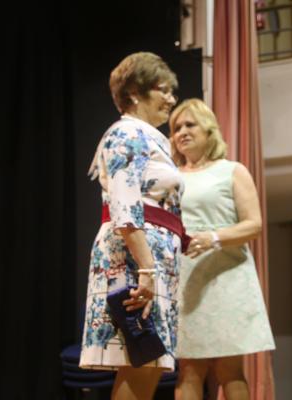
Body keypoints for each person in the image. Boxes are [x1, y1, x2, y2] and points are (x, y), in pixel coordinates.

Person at [79, 52, 183, 400]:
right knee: (139, 361)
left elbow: (158, 205)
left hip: (152, 260)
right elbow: (125, 206)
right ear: (135, 93)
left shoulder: (152, 137)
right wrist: (147, 270)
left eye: (172, 91)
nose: (171, 99)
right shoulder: (127, 133)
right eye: (162, 89)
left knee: (147, 363)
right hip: (135, 260)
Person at [169, 99, 275, 400]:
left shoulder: (232, 171)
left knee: (229, 371)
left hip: (227, 277)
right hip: (187, 279)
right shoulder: (172, 178)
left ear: (208, 129)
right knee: (189, 370)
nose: (182, 132)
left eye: (190, 124)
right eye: (177, 128)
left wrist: (213, 237)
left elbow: (253, 224)